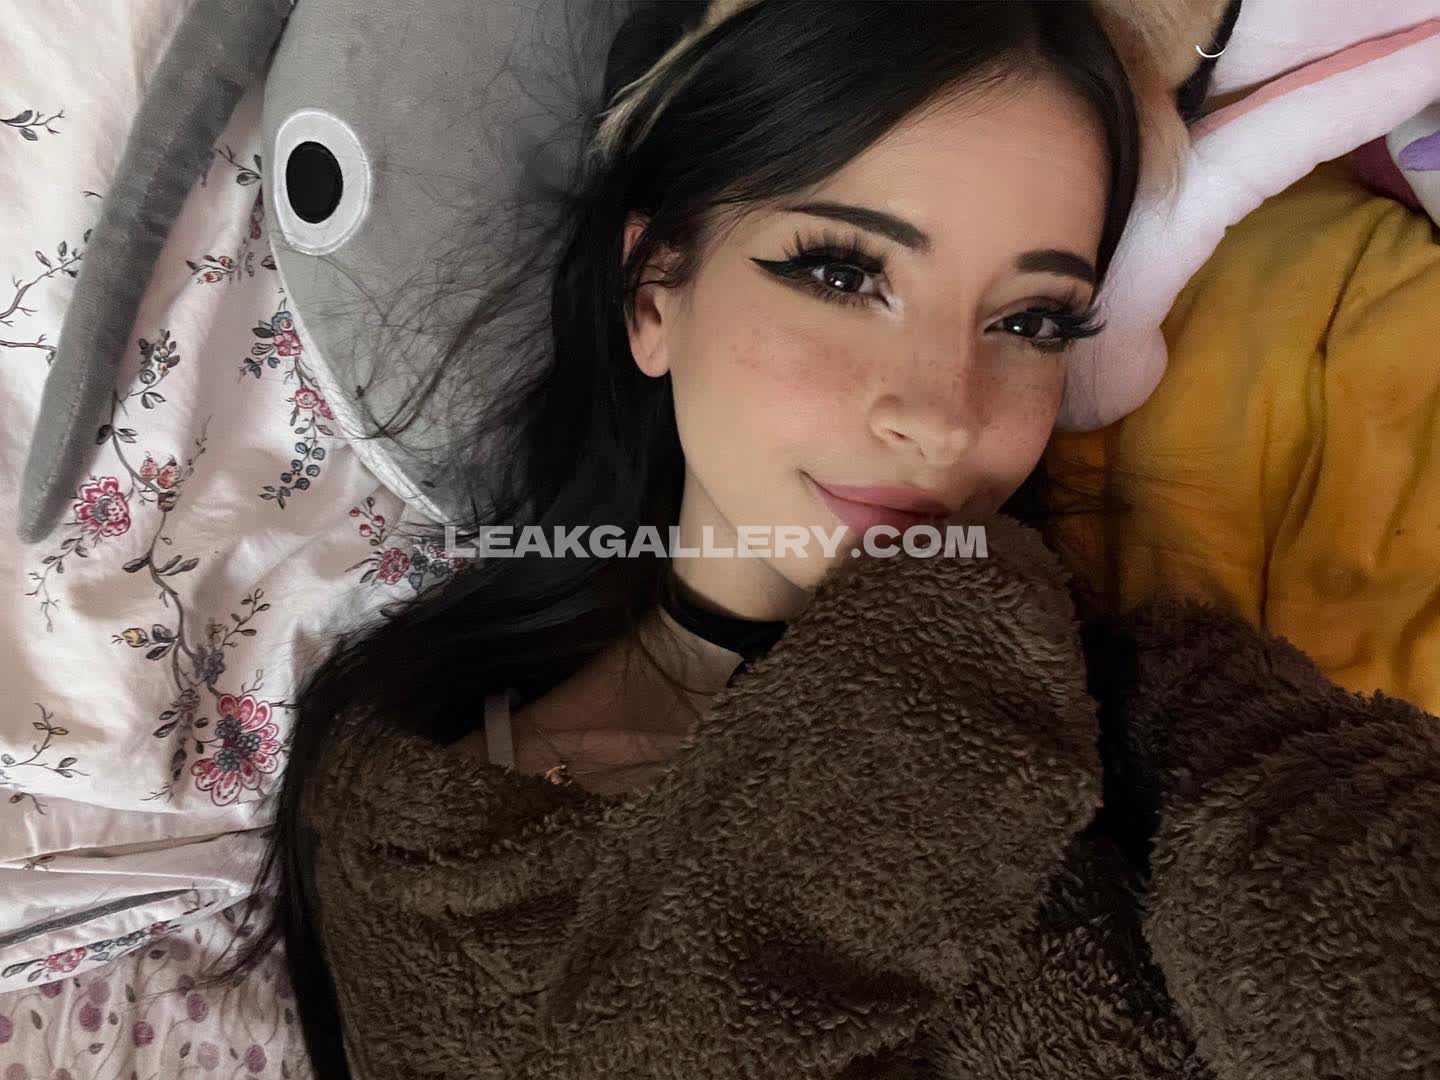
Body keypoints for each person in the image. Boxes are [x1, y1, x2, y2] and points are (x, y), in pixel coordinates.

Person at [218, 2, 1440, 1078]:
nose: (943, 413)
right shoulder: (422, 827)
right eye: (845, 275)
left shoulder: (1149, 703)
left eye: (1031, 319)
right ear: (654, 291)